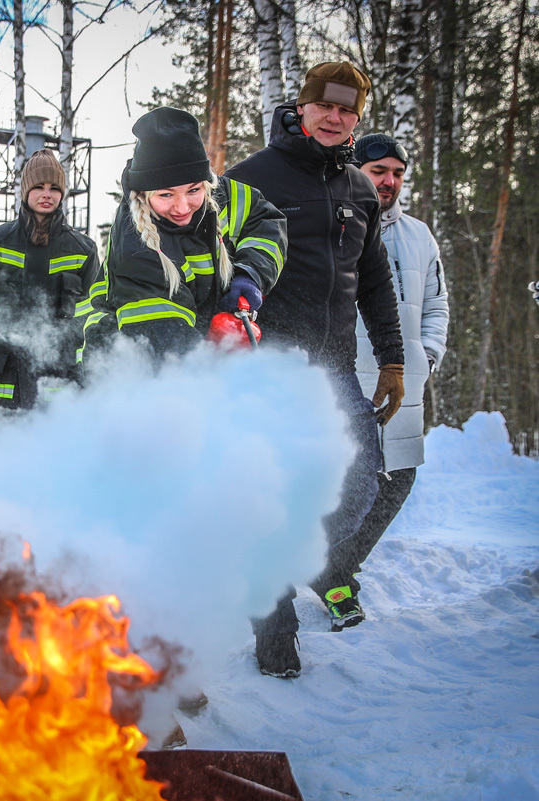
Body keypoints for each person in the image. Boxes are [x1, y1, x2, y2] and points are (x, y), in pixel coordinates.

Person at [226, 61, 405, 677]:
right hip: (271, 365)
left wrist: (393, 357)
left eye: (348, 109)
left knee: (360, 480)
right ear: (301, 108)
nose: (335, 117)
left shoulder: (359, 187)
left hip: (335, 364)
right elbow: (216, 268)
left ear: (358, 118)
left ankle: (301, 561)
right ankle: (275, 635)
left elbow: (374, 279)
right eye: (324, 106)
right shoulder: (250, 178)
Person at [83, 107, 286, 365]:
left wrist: (250, 274)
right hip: (127, 364)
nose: (182, 208)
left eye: (193, 190)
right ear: (144, 194)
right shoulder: (134, 239)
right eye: (166, 194)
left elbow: (266, 222)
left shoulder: (224, 195)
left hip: (194, 347)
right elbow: (166, 342)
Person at [340, 133, 449, 617]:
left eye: (397, 173)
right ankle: (331, 574)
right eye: (379, 170)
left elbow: (437, 303)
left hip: (405, 378)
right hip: (347, 375)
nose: (389, 181)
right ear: (357, 169)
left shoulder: (419, 235)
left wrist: (428, 354)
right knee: (347, 478)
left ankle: (341, 564)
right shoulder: (338, 222)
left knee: (400, 475)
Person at [0, 149, 100, 431]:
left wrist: (87, 382)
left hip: (57, 395)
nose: (47, 194)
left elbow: (92, 325)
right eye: (39, 187)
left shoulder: (83, 250)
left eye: (54, 188)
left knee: (51, 472)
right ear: (25, 191)